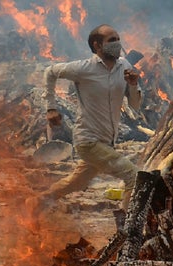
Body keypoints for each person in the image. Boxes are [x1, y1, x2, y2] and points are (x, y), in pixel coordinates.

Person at [36, 24, 142, 223]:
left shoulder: (124, 66)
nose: (117, 44)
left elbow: (135, 106)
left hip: (106, 141)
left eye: (118, 38)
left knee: (76, 182)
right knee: (132, 175)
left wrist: (134, 85)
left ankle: (38, 201)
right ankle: (127, 229)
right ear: (97, 45)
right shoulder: (84, 68)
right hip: (88, 141)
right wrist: (50, 107)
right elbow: (50, 72)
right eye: (111, 40)